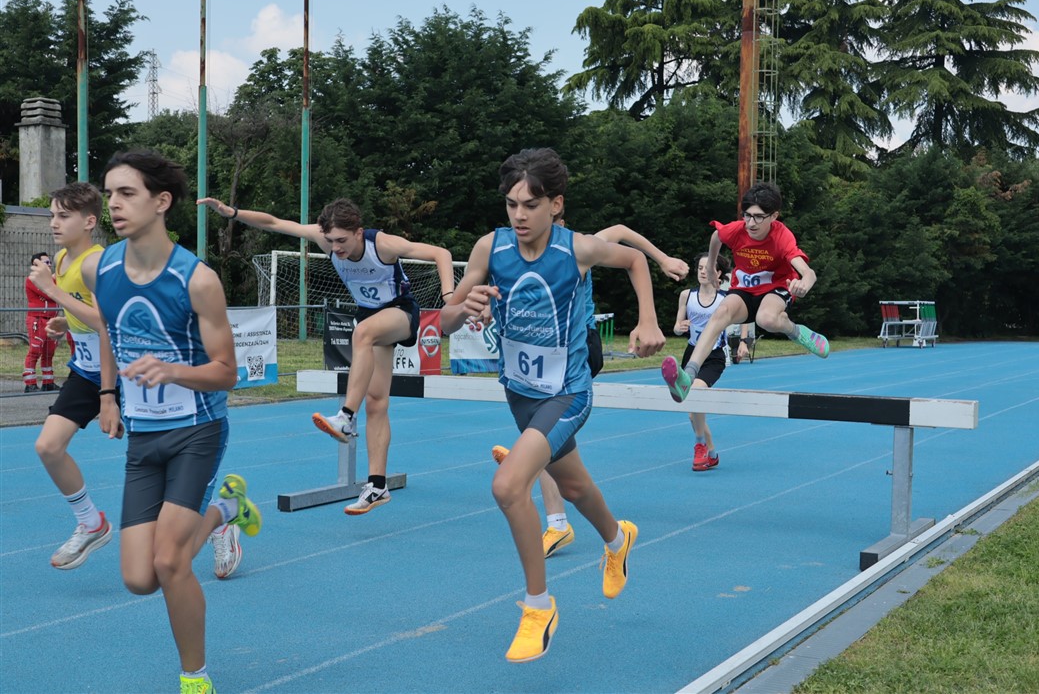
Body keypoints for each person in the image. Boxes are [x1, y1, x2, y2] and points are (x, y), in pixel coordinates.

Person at [441, 147, 664, 663]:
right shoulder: (489, 248)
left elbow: (634, 259)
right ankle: (618, 539)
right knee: (575, 486)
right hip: (520, 393)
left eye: (531, 205)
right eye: (511, 205)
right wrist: (462, 306)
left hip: (568, 393)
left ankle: (538, 607)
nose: (519, 216)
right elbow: (446, 321)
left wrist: (648, 319)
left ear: (555, 204)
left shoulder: (577, 249)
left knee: (507, 485)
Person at [91, 151, 262, 694]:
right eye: (110, 194)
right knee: (138, 578)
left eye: (127, 193)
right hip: (143, 439)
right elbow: (108, 330)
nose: (114, 204)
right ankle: (226, 510)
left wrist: (172, 371)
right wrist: (108, 394)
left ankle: (195, 679)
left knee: (169, 563)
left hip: (196, 433)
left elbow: (227, 373)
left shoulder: (198, 279)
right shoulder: (102, 269)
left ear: (161, 201)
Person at [198, 195, 454, 516]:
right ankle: (377, 485)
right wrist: (232, 212)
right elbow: (275, 223)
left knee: (362, 332)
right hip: (370, 316)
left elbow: (441, 253)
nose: (336, 248)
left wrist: (449, 296)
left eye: (342, 241)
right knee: (377, 402)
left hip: (400, 312)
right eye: (331, 241)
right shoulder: (325, 239)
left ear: (358, 232)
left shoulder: (382, 245)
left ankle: (346, 417)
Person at [492, 218, 688, 557]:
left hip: (578, 349)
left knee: (544, 427)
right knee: (553, 446)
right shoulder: (515, 254)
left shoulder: (577, 246)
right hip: (539, 360)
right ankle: (579, 524)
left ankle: (544, 495)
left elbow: (622, 233)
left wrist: (662, 259)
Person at [662, 182, 829, 402]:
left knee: (766, 319)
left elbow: (808, 272)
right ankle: (688, 377)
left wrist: (804, 284)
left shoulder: (782, 237)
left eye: (758, 217)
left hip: (775, 288)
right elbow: (716, 237)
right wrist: (711, 266)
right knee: (721, 313)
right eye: (747, 215)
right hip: (744, 290)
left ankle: (796, 332)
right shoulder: (737, 229)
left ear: (774, 216)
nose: (751, 223)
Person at [24, 185, 114, 569]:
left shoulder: (97, 263)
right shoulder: (61, 258)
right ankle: (90, 522)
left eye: (63, 216)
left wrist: (51, 291)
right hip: (86, 371)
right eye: (52, 215)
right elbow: (84, 311)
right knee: (48, 446)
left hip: (121, 374)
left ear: (89, 221)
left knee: (164, 460)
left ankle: (218, 519)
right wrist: (66, 321)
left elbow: (106, 323)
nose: (54, 223)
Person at [672, 252, 732, 471]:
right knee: (693, 413)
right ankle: (712, 452)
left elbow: (743, 319)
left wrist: (744, 341)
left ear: (718, 273)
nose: (703, 272)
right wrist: (679, 328)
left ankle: (699, 446)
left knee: (696, 397)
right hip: (691, 355)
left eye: (708, 268)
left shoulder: (726, 299)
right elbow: (677, 326)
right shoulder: (686, 296)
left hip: (713, 357)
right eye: (699, 268)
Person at [24, 252, 61, 392]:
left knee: (49, 352)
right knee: (35, 350)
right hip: (38, 319)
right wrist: (57, 282)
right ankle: (30, 383)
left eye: (50, 262)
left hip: (51, 320)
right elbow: (50, 293)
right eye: (46, 262)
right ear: (36, 264)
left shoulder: (51, 280)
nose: (50, 265)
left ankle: (48, 382)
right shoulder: (33, 279)